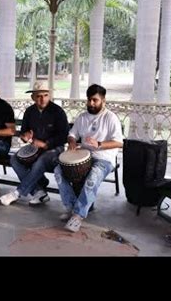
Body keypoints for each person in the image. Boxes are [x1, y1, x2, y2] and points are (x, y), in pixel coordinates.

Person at [54, 84, 123, 232]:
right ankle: (71, 207)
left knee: (92, 178)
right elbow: (72, 134)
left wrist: (99, 144)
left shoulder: (110, 118)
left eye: (95, 100)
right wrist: (72, 141)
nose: (91, 103)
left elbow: (119, 142)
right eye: (89, 100)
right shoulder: (82, 117)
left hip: (104, 157)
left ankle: (78, 215)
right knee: (59, 171)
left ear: (103, 101)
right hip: (84, 155)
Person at [0, 81, 69, 206]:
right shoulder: (30, 112)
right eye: (38, 96)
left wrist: (46, 144)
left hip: (54, 149)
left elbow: (64, 136)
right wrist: (25, 137)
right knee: (15, 160)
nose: (42, 99)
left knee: (41, 161)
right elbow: (24, 133)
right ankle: (39, 191)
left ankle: (18, 193)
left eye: (45, 95)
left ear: (49, 95)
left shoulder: (57, 112)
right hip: (34, 148)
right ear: (33, 97)